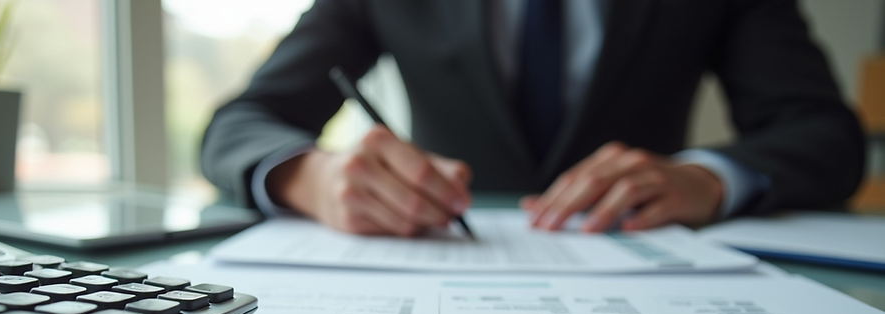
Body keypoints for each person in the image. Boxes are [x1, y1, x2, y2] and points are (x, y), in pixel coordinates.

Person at [200, 0, 865, 236]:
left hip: (646, 268)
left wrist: (711, 179)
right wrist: (310, 176)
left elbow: (826, 135)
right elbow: (243, 121)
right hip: (438, 278)